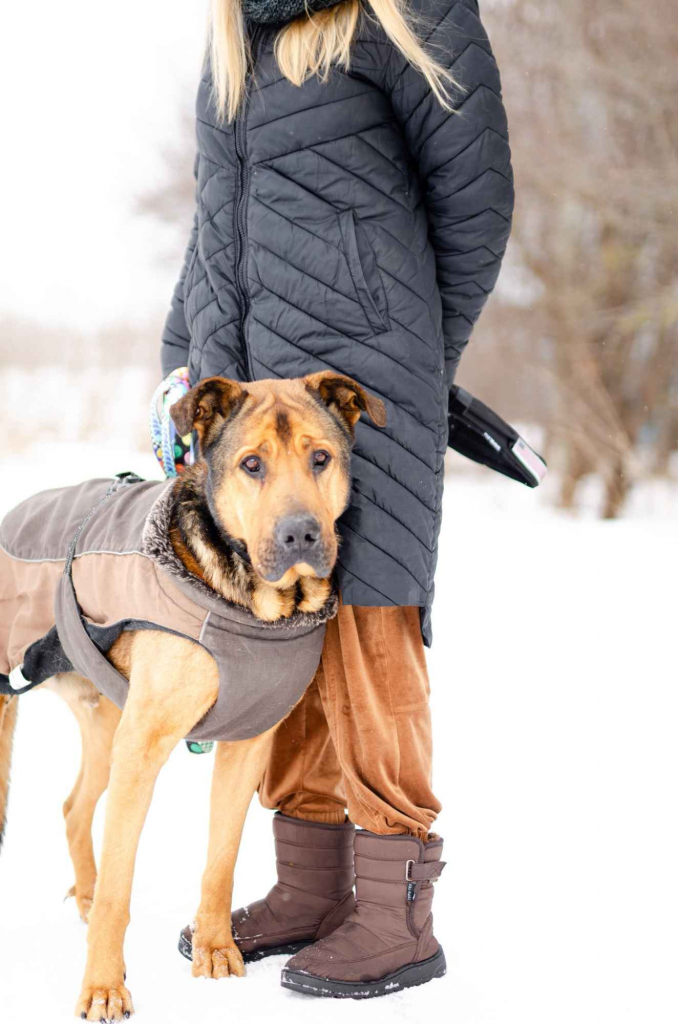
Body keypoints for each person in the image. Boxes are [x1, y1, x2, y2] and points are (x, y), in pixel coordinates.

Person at [164, 0, 514, 998]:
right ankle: (313, 886)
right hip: (246, 423)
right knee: (285, 638)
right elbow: (210, 236)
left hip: (365, 399)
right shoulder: (233, 39)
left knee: (371, 629)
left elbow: (476, 196)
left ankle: (397, 912)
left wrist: (409, 357)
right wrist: (180, 379)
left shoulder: (405, 11)